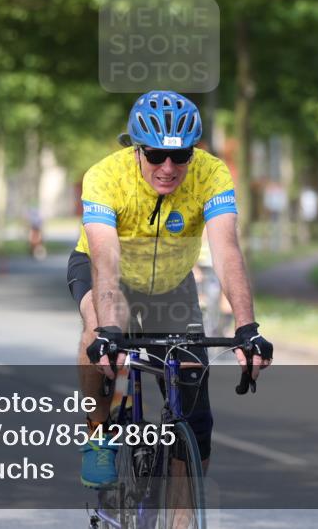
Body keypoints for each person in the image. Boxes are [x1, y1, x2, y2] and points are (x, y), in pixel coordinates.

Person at [68, 90, 273, 489]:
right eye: (156, 155)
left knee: (196, 415)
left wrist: (248, 329)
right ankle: (96, 430)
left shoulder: (211, 175)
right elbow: (106, 257)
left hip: (171, 283)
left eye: (180, 156)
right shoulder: (105, 176)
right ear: (135, 150)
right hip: (110, 274)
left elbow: (227, 249)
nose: (168, 167)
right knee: (100, 320)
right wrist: (108, 332)